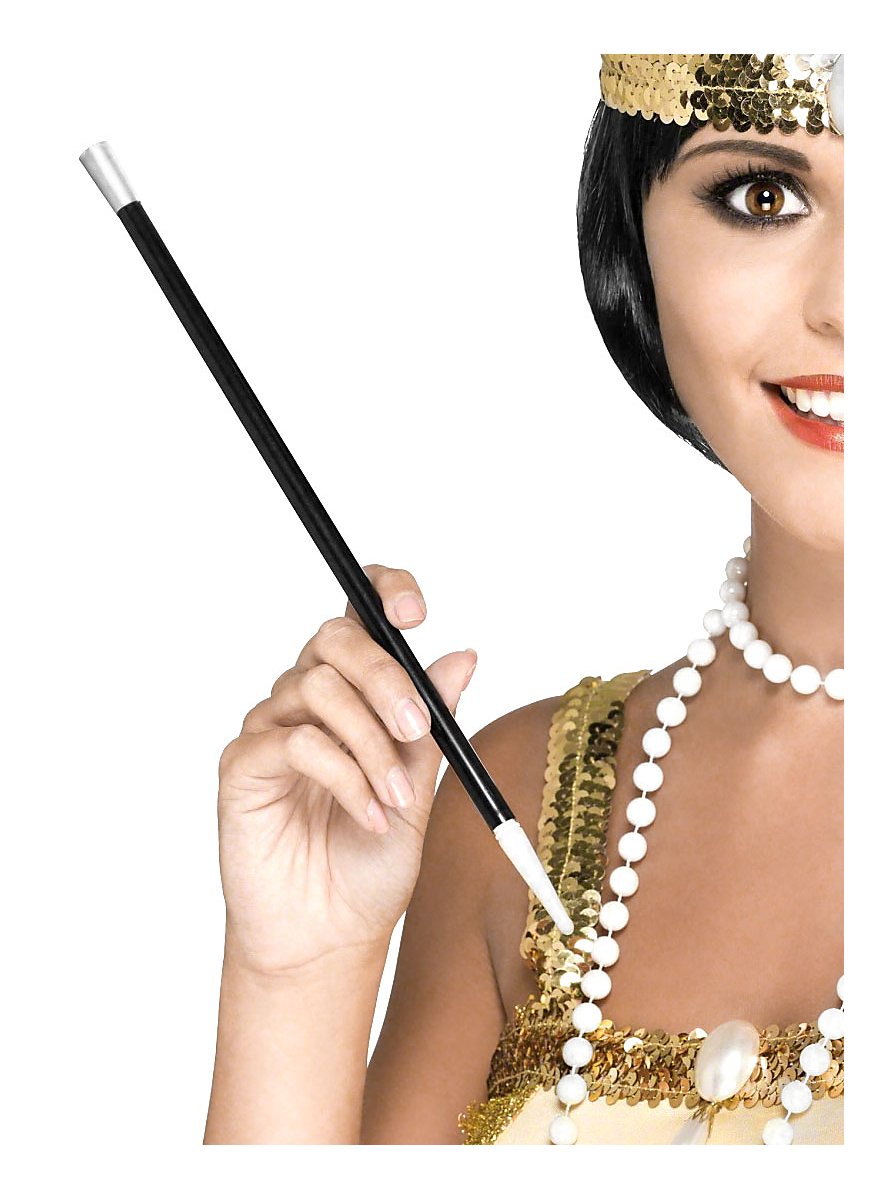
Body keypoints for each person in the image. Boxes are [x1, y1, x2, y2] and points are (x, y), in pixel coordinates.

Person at [203, 54, 844, 1145]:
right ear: (633, 231)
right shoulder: (521, 808)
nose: (845, 304)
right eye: (763, 195)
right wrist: (300, 976)